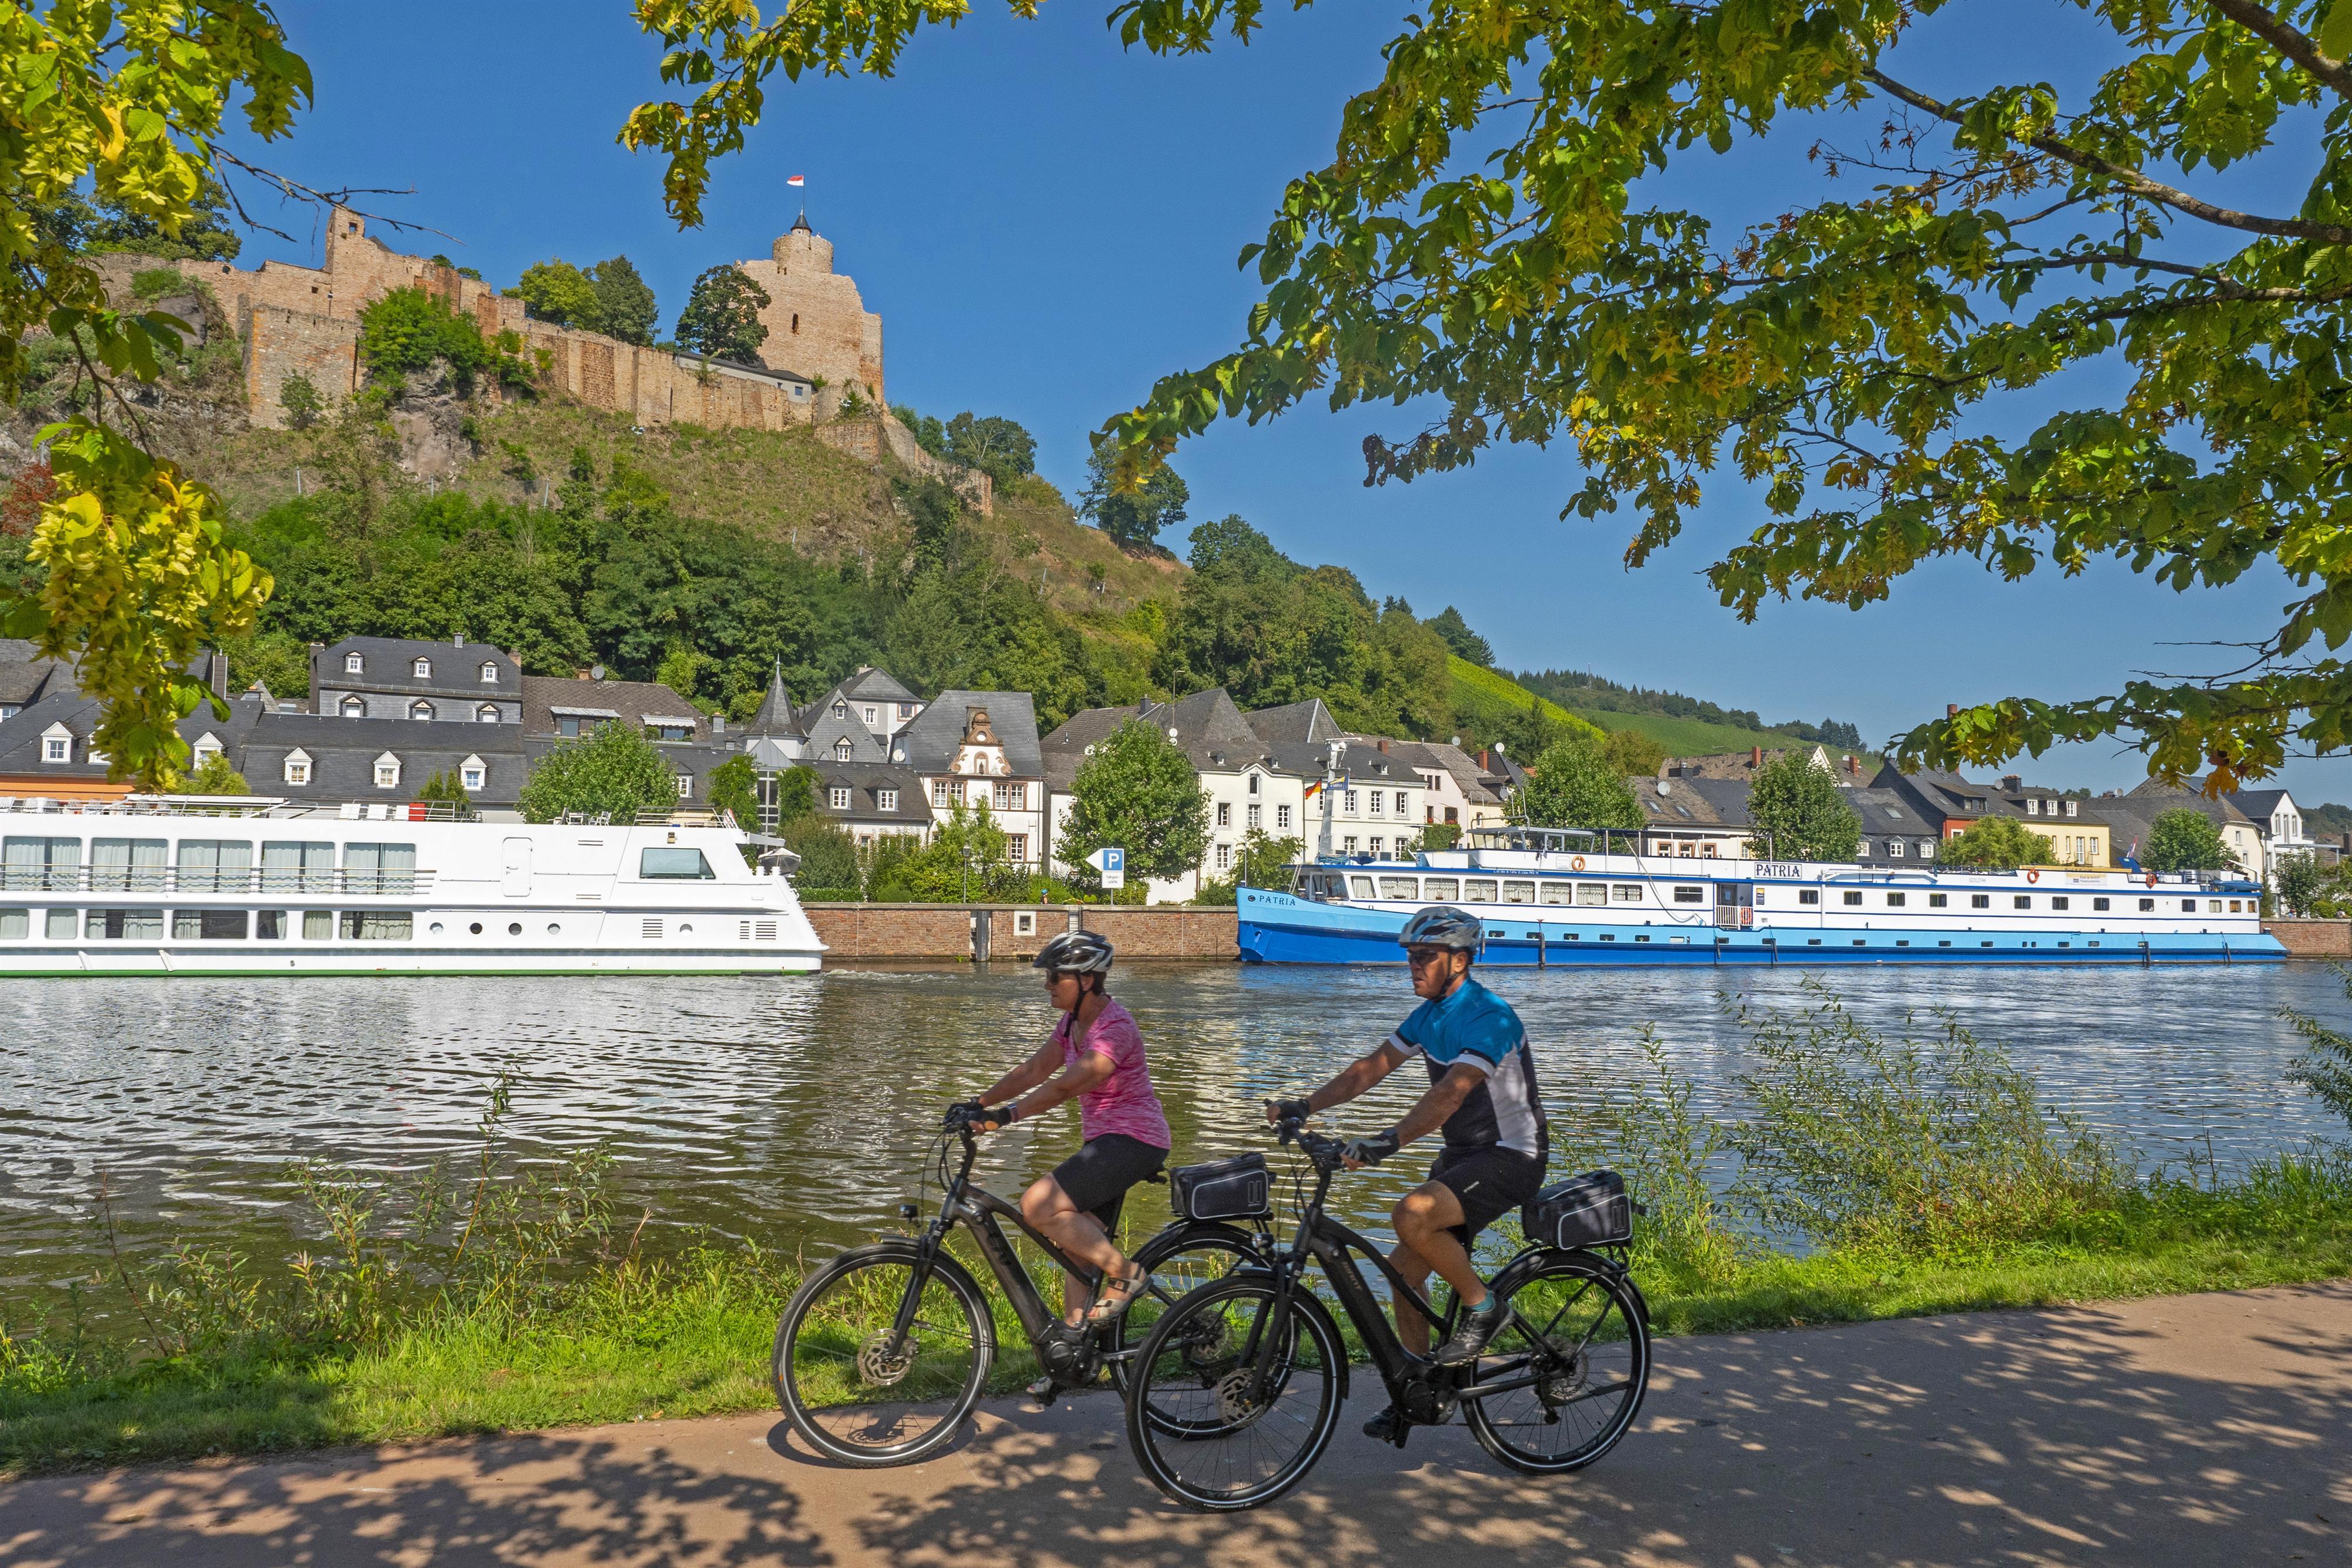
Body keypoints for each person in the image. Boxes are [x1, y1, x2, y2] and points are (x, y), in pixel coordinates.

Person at [1265, 905, 1546, 1442]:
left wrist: (1387, 1141)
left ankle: (1486, 1308)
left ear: (1460, 961)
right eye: (1410, 957)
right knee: (1404, 1276)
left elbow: (1450, 1092)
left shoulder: (1490, 1015)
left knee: (1411, 1214)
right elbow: (1369, 1069)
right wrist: (1306, 1104)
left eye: (1424, 956)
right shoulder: (1429, 1015)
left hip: (1512, 1155)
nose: (1412, 965)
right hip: (1466, 1156)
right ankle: (1417, 1391)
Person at [948, 930, 1171, 1386]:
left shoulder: (1116, 1027)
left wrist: (1005, 1117)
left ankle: (1129, 1276)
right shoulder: (1071, 1023)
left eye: (1055, 976)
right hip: (1105, 1142)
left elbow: (1070, 1084)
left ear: (1087, 980)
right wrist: (978, 1102)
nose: (1047, 983)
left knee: (1038, 1205)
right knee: (1077, 1248)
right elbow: (1033, 1070)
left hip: (1134, 1140)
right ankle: (1071, 1355)